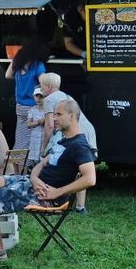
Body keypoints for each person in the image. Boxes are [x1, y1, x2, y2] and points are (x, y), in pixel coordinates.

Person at [0, 99, 97, 260]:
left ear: (72, 116)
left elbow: (90, 178)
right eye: (54, 114)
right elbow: (41, 164)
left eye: (58, 114)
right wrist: (34, 177)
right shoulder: (63, 141)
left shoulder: (79, 145)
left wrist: (57, 192)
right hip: (32, 183)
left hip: (46, 196)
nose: (54, 118)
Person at [38, 72, 97, 212]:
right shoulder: (67, 97)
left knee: (63, 165)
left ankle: (53, 198)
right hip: (88, 134)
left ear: (48, 86)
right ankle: (80, 206)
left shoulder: (50, 100)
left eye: (42, 87)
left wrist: (43, 148)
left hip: (72, 136)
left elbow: (49, 126)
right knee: (81, 168)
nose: (41, 90)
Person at [4, 39, 49, 151]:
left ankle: (18, 162)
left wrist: (15, 59)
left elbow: (7, 75)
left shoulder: (18, 63)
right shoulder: (38, 65)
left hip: (20, 107)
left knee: (20, 137)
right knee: (34, 139)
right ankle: (29, 164)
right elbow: (44, 82)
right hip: (34, 107)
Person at [25, 87, 46, 166]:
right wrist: (38, 122)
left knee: (42, 157)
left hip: (44, 136)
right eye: (36, 96)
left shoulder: (47, 110)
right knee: (34, 159)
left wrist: (45, 120)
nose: (39, 99)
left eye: (41, 96)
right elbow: (28, 124)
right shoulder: (32, 110)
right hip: (35, 137)